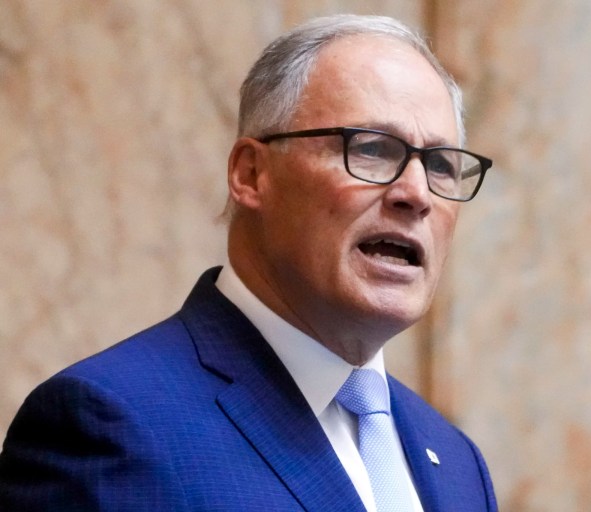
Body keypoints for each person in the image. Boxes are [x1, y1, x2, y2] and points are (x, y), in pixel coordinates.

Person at [0, 14, 496, 511]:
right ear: (251, 174)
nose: (416, 194)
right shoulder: (109, 426)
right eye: (369, 149)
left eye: (439, 165)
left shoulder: (457, 463)